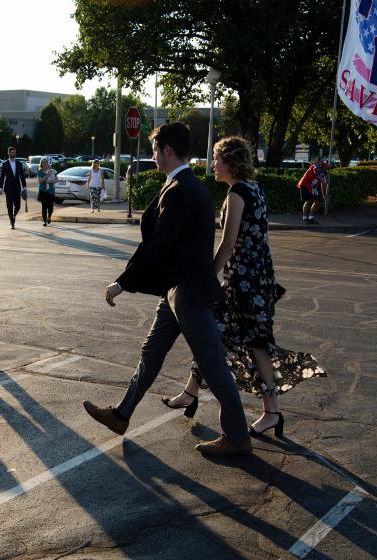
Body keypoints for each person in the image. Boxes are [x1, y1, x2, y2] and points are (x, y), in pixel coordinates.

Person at [82, 122, 253, 456]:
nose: (153, 156)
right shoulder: (188, 185)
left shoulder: (181, 190)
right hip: (177, 291)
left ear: (168, 150)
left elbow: (158, 245)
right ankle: (121, 414)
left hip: (188, 293)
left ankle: (237, 437)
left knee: (214, 366)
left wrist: (122, 283)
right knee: (151, 353)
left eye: (155, 150)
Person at [163, 137, 326, 435]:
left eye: (216, 159)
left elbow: (227, 244)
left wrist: (207, 277)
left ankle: (272, 411)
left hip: (245, 282)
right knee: (213, 334)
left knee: (256, 344)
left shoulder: (236, 194)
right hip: (258, 277)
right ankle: (191, 392)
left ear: (230, 162)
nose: (213, 164)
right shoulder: (256, 189)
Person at [0, 146, 26, 229]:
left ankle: (14, 216)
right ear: (9, 153)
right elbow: (2, 177)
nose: (14, 153)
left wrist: (24, 186)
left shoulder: (19, 163)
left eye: (14, 152)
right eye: (12, 152)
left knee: (18, 206)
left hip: (17, 188)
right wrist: (0, 188)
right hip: (8, 188)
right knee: (9, 205)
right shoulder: (5, 164)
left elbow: (22, 176)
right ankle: (11, 222)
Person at [296, 158, 329, 224]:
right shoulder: (319, 164)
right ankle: (305, 219)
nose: (330, 167)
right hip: (305, 184)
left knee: (317, 201)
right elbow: (315, 171)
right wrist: (322, 171)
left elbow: (324, 184)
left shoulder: (324, 173)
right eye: (329, 165)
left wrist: (324, 196)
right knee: (308, 200)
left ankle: (311, 218)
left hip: (313, 187)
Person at [37, 157, 58, 226]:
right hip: (43, 191)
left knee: (50, 206)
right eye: (43, 162)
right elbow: (40, 181)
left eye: (45, 162)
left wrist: (50, 180)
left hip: (51, 191)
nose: (44, 163)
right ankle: (44, 221)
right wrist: (47, 176)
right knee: (44, 206)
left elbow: (56, 180)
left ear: (47, 163)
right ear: (41, 164)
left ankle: (49, 216)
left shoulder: (52, 171)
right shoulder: (40, 172)